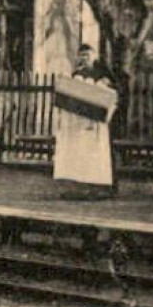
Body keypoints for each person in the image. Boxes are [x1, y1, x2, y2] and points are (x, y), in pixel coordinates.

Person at [53, 44, 116, 195]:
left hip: (94, 122)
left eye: (87, 55)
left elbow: (108, 97)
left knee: (94, 154)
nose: (84, 59)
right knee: (77, 153)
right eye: (82, 56)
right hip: (77, 121)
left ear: (94, 56)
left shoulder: (102, 75)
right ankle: (76, 186)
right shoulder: (75, 75)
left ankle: (96, 187)